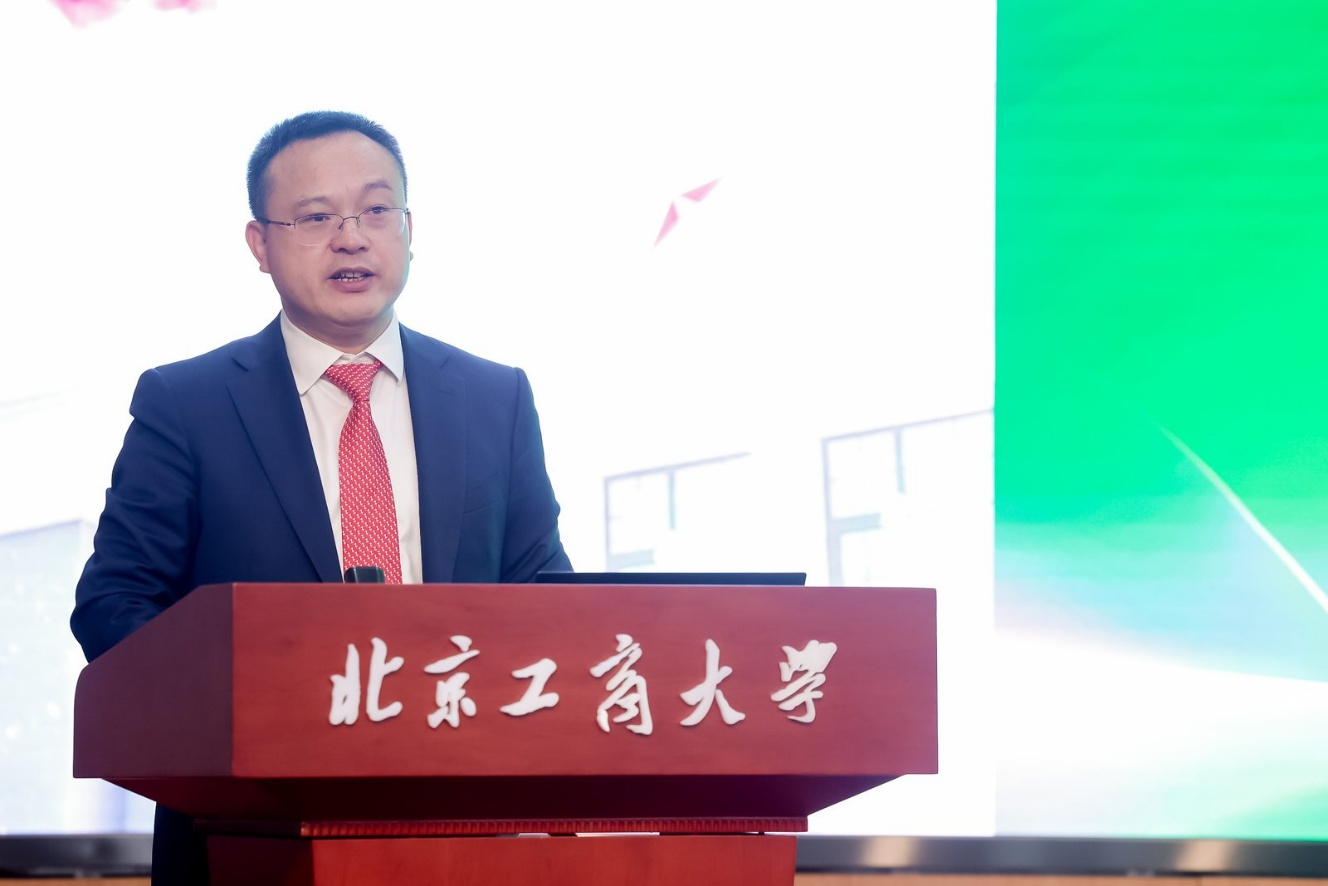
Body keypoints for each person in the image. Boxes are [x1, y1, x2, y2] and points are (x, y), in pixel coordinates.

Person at [70, 111, 572, 884]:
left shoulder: (494, 397)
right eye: (315, 218)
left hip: (468, 831)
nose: (351, 238)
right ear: (260, 245)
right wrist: (248, 715)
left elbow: (549, 601)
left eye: (376, 210)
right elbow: (115, 604)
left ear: (409, 230)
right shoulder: (188, 403)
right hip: (248, 837)